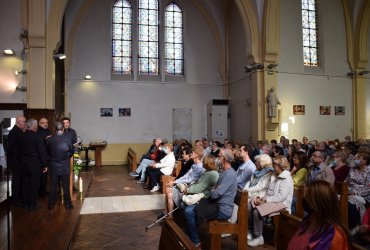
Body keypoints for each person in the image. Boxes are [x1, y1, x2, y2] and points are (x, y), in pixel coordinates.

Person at [184, 148, 237, 248]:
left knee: (189, 211)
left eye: (219, 156)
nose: (217, 158)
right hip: (215, 204)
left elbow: (215, 194)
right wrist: (214, 189)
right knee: (189, 208)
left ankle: (195, 241)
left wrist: (213, 189)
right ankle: (190, 236)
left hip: (222, 209)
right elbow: (215, 191)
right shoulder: (224, 171)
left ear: (224, 159)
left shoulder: (229, 174)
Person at [288, 180, 351, 249]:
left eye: (307, 198)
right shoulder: (308, 221)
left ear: (317, 203)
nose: (305, 201)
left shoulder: (335, 235)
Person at [248, 155, 294, 247]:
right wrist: (260, 198)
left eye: (275, 164)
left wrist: (265, 201)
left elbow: (281, 197)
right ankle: (251, 231)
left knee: (257, 211)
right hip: (271, 200)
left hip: (281, 204)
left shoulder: (287, 178)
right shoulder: (274, 174)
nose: (273, 166)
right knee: (250, 204)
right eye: (273, 164)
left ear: (281, 165)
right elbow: (268, 191)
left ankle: (258, 237)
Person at [18, 119, 48, 210]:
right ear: (35, 126)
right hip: (35, 165)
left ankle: (25, 204)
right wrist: (45, 165)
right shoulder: (37, 137)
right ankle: (32, 204)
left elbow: (18, 152)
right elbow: (41, 152)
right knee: (34, 185)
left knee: (25, 184)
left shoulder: (21, 136)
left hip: (23, 165)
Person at [46, 121, 74, 210]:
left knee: (53, 186)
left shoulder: (49, 139)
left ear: (54, 129)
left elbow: (47, 152)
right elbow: (71, 152)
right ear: (63, 129)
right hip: (65, 165)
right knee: (66, 186)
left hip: (53, 165)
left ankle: (51, 205)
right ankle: (68, 205)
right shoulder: (67, 139)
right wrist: (66, 157)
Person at [6, 115, 26, 206]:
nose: (25, 123)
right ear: (19, 122)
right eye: (24, 122)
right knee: (17, 180)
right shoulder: (14, 132)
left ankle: (19, 198)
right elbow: (10, 148)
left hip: (18, 160)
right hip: (16, 160)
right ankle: (15, 199)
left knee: (19, 179)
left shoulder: (18, 131)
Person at [37, 117, 52, 196]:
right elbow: (40, 146)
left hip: (48, 156)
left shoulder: (49, 131)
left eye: (46, 122)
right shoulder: (38, 132)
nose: (45, 124)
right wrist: (46, 139)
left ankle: (43, 190)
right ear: (39, 124)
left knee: (45, 176)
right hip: (41, 157)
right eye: (43, 123)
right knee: (41, 176)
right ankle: (40, 192)